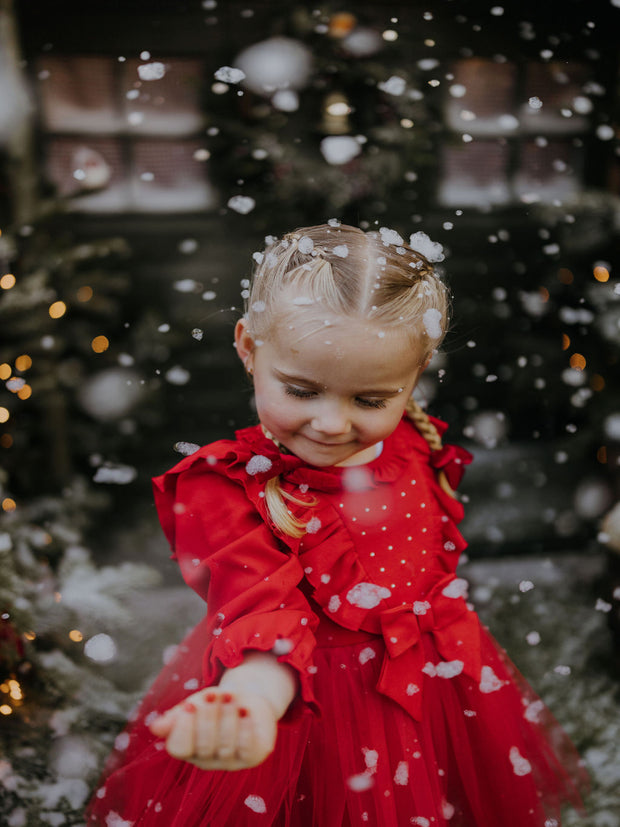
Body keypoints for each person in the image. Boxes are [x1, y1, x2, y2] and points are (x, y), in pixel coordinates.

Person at [86, 223, 588, 826]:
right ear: (248, 348)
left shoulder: (415, 443)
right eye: (301, 390)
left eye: (369, 400)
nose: (330, 423)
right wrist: (253, 697)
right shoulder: (227, 488)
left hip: (436, 679)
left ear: (418, 370)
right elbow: (260, 613)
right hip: (317, 700)